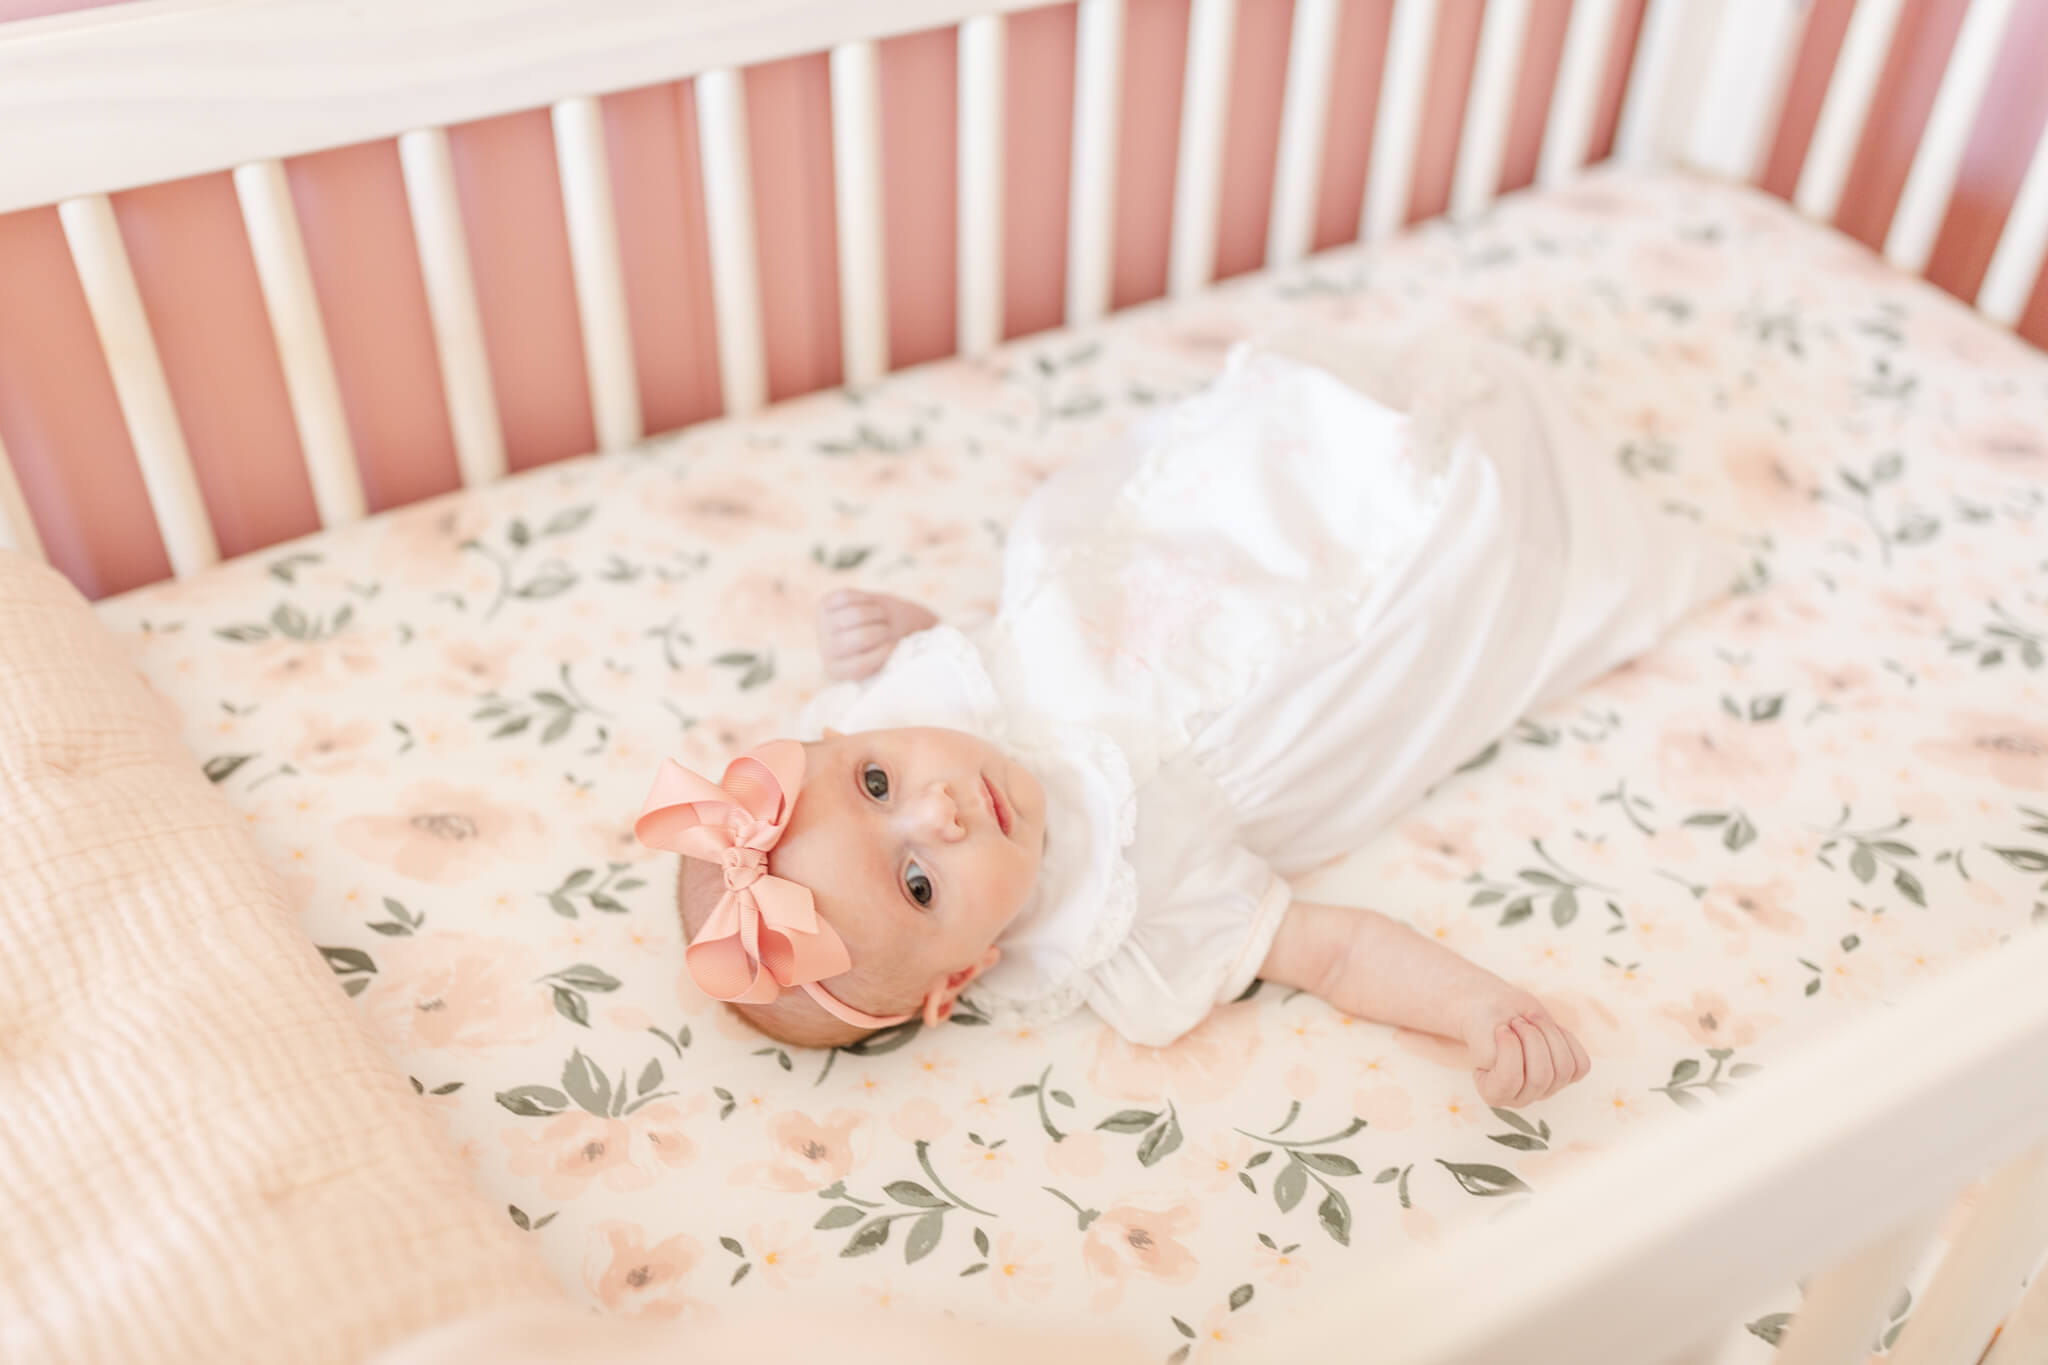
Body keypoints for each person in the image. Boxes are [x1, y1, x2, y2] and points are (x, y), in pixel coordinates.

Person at [638, 331, 1732, 1108]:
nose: (937, 810)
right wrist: (1474, 1009)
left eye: (875, 784)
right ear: (960, 975)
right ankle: (1510, 490)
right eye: (920, 883)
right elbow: (1336, 950)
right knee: (1476, 554)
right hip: (1344, 650)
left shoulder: (930, 707)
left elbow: (962, 649)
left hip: (1212, 546)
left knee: (1309, 449)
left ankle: (1391, 427)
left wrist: (894, 631)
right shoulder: (1121, 925)